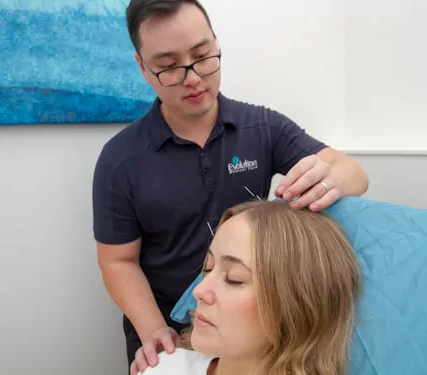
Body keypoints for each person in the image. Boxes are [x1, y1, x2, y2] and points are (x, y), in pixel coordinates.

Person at [92, 0, 369, 370]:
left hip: (248, 329)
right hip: (168, 332)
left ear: (216, 44)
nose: (193, 78)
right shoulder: (120, 160)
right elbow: (117, 261)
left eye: (202, 55)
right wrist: (153, 328)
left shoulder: (263, 128)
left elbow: (353, 174)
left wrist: (330, 178)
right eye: (169, 66)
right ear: (143, 67)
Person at [131, 200, 361, 375]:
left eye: (234, 278)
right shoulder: (164, 368)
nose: (198, 292)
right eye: (208, 268)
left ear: (297, 304)